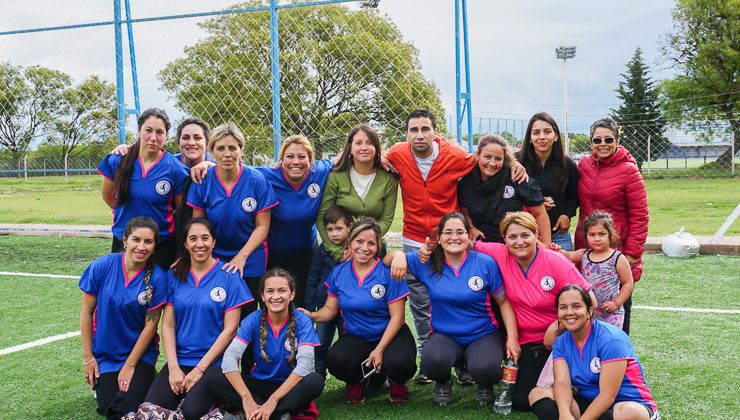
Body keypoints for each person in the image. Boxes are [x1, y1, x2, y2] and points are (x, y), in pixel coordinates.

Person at [383, 109, 526, 384]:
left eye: (425, 129)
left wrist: (516, 164)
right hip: (414, 239)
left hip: (450, 239)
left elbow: (488, 161)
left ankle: (464, 362)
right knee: (422, 304)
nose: (419, 135)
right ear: (406, 134)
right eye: (413, 130)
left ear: (435, 132)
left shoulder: (456, 155)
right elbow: (378, 156)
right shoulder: (398, 154)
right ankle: (431, 360)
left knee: (463, 295)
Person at [423, 212, 594, 412]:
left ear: (536, 234)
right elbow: (460, 243)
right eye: (512, 237)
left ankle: (572, 381)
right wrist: (426, 251)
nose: (519, 242)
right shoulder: (498, 253)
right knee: (521, 401)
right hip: (529, 343)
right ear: (504, 239)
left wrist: (557, 327)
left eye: (525, 235)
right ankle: (556, 385)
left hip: (562, 338)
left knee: (579, 387)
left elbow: (590, 301)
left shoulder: (555, 261)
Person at [388, 213, 520, 407]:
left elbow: (503, 302)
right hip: (445, 336)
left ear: (469, 237)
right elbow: (386, 260)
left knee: (486, 368)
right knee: (432, 361)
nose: (454, 237)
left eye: (460, 232)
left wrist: (513, 338)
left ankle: (484, 384)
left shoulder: (485, 263)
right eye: (448, 232)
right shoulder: (427, 262)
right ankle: (443, 382)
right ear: (439, 238)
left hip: (482, 334)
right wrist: (399, 255)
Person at [142, 219, 253, 419]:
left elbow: (231, 329)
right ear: (185, 244)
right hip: (181, 359)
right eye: (193, 239)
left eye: (205, 238)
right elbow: (167, 325)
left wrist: (200, 370)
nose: (199, 244)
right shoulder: (174, 275)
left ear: (214, 242)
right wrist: (173, 368)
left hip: (214, 364)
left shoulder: (229, 276)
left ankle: (230, 413)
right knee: (152, 407)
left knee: (192, 412)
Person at [302, 218, 416, 404]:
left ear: (378, 246)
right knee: (336, 359)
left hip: (390, 334)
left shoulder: (388, 272)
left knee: (400, 362)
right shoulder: (339, 272)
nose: (364, 248)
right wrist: (312, 315)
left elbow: (398, 318)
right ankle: (358, 380)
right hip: (358, 337)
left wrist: (379, 349)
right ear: (350, 242)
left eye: (371, 243)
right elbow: (330, 310)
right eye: (359, 241)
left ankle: (395, 380)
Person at [206, 268, 325, 419]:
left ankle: (261, 414)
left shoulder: (303, 320)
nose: (276, 296)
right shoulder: (253, 319)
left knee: (315, 380)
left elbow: (305, 365)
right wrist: (246, 398)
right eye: (270, 291)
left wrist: (273, 400)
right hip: (259, 384)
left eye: (282, 290)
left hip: (290, 386)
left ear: (292, 294)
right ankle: (274, 413)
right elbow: (229, 358)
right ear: (262, 296)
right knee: (212, 376)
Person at [79, 216, 168, 419]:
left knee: (127, 406)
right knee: (112, 405)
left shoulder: (158, 278)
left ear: (154, 247)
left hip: (140, 356)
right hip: (106, 357)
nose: (141, 247)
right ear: (125, 240)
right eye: (136, 239)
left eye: (148, 242)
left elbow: (150, 327)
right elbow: (86, 312)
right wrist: (88, 359)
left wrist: (130, 365)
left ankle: (146, 376)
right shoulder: (101, 267)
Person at [529, 285, 659, 420]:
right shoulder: (561, 342)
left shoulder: (611, 339)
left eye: (576, 306)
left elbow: (607, 396)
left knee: (627, 412)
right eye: (563, 308)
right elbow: (562, 383)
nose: (569, 312)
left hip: (627, 406)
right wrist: (565, 413)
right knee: (538, 393)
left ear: (589, 311)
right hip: (591, 404)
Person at [187, 122, 277, 314]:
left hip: (250, 258)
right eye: (220, 148)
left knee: (248, 315)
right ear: (211, 151)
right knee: (215, 313)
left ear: (241, 150)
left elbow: (262, 226)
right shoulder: (203, 181)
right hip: (215, 257)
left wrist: (241, 257)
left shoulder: (257, 180)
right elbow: (198, 227)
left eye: (232, 148)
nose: (227, 154)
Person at [576, 117, 648, 335]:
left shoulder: (629, 171)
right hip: (587, 251)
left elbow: (640, 215)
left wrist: (632, 254)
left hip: (617, 252)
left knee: (617, 311)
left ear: (617, 140)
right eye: (597, 140)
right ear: (591, 143)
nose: (603, 144)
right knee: (586, 309)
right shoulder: (584, 165)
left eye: (608, 139)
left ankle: (621, 362)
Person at [97, 108, 189, 269]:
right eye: (148, 131)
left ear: (166, 135)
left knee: (158, 291)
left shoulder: (177, 170)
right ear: (139, 131)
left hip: (161, 245)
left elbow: (180, 210)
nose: (153, 138)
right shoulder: (116, 160)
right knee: (123, 291)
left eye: (160, 132)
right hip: (124, 240)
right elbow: (108, 196)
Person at [109, 118, 212, 255]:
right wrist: (126, 148)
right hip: (173, 233)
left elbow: (239, 168)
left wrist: (210, 165)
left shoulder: (217, 165)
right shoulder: (171, 164)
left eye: (197, 138)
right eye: (185, 137)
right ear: (178, 142)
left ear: (207, 142)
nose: (191, 143)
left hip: (210, 230)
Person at [255, 135, 334, 308]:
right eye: (290, 156)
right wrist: (207, 164)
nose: (296, 162)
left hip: (305, 254)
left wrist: (379, 157)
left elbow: (344, 156)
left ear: (311, 160)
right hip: (272, 256)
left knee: (303, 306)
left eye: (302, 157)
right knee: (273, 307)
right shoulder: (266, 175)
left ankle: (301, 336)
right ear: (281, 159)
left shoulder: (319, 172)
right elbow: (238, 169)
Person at [317, 124, 398, 261]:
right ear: (350, 148)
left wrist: (364, 244)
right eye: (358, 143)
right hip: (339, 251)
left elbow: (386, 219)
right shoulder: (335, 177)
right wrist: (339, 252)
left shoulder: (389, 179)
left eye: (369, 143)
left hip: (372, 250)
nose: (364, 148)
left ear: (377, 148)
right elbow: (322, 216)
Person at [458, 134, 550, 244]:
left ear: (504, 158)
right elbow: (465, 212)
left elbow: (540, 215)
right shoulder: (466, 183)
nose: (492, 163)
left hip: (515, 246)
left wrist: (546, 248)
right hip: (482, 246)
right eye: (487, 157)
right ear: (477, 155)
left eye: (498, 159)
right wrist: (471, 228)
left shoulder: (517, 177)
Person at [304, 205, 353, 378]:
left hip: (347, 308)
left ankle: (350, 376)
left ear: (350, 228)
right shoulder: (323, 250)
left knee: (346, 340)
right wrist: (310, 307)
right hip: (324, 304)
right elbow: (312, 278)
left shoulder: (354, 252)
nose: (334, 234)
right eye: (330, 230)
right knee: (321, 342)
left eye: (339, 229)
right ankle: (319, 373)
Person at [518, 112, 579, 250]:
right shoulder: (518, 163)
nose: (542, 137)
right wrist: (535, 204)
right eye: (536, 133)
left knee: (562, 270)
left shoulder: (567, 164)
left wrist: (567, 214)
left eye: (547, 132)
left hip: (558, 234)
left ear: (556, 136)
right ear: (530, 138)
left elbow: (574, 195)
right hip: (524, 235)